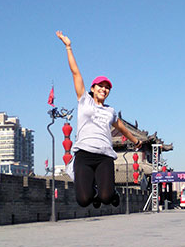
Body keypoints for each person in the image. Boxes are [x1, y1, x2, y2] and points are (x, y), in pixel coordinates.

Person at [56, 31, 142, 208]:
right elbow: (75, 73)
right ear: (93, 89)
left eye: (107, 88)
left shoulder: (110, 111)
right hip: (84, 156)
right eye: (100, 86)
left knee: (106, 196)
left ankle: (111, 192)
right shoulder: (84, 101)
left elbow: (122, 128)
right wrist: (68, 47)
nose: (104, 89)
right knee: (84, 200)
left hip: (104, 156)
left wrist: (136, 141)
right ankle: (93, 191)